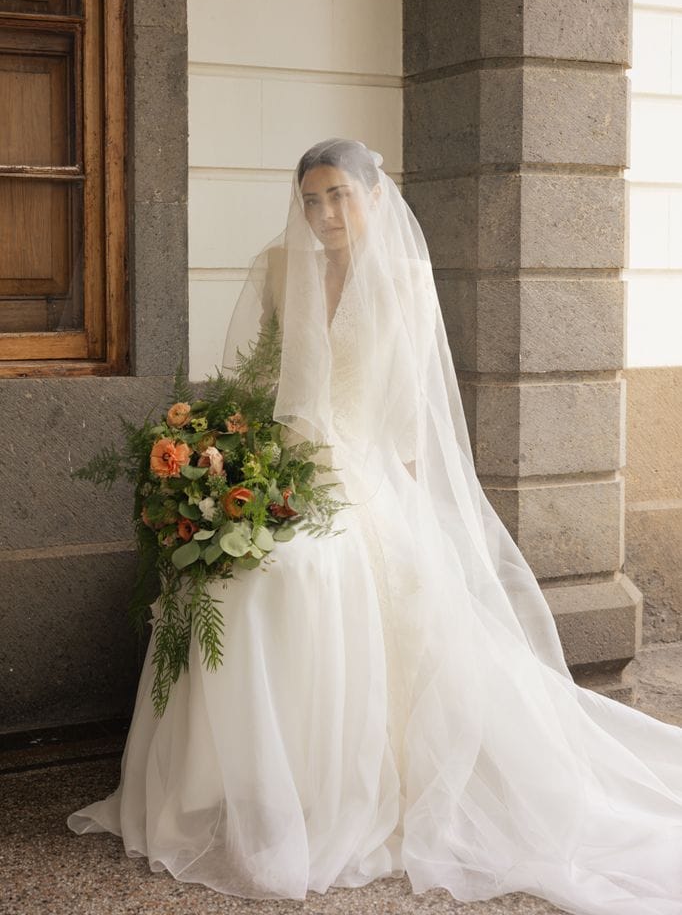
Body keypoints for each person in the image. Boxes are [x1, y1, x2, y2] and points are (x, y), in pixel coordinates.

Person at [67, 138, 682, 913]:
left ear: (374, 197)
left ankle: (331, 785)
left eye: (338, 196)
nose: (324, 213)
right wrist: (231, 460)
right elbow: (255, 380)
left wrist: (421, 519)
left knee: (299, 572)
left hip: (362, 474)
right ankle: (234, 785)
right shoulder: (278, 270)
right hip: (280, 469)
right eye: (311, 200)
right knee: (230, 571)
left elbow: (416, 410)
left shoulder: (405, 279)